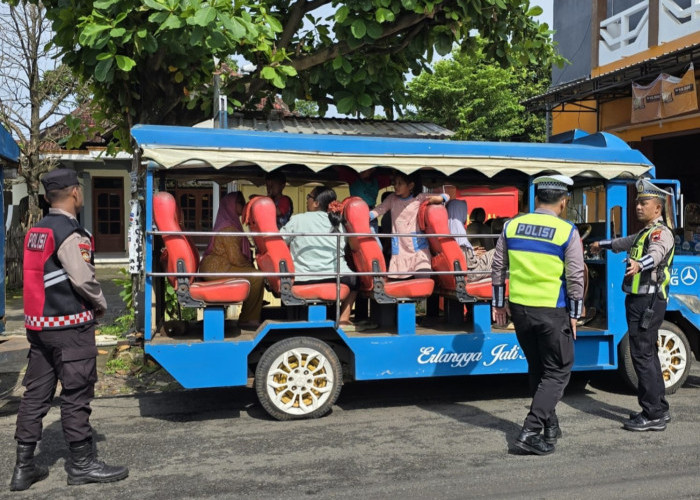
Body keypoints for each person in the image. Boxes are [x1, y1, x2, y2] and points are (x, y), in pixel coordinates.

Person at [12, 168, 128, 491]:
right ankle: (81, 465)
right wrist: (101, 303)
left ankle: (23, 467)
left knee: (35, 394)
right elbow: (83, 278)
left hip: (39, 326)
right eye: (80, 189)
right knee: (76, 394)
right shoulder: (70, 232)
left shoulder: (37, 230)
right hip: (69, 325)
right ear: (75, 193)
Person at [491, 174, 584, 456]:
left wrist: (498, 304)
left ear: (537, 198)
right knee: (558, 371)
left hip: (519, 309)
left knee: (538, 368)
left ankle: (550, 425)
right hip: (551, 311)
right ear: (564, 201)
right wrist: (575, 314)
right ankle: (530, 432)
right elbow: (576, 276)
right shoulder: (566, 231)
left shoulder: (512, 225)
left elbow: (497, 266)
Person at [589, 179, 674, 432]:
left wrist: (640, 264)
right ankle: (659, 407)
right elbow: (623, 243)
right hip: (641, 300)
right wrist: (600, 244)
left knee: (641, 356)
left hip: (647, 301)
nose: (638, 206)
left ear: (657, 209)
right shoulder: (645, 232)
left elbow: (656, 253)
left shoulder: (660, 233)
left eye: (643, 203)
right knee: (649, 355)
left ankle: (653, 414)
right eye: (637, 202)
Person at [280, 186, 359, 328]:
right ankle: (344, 317)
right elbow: (353, 247)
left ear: (316, 203)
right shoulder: (339, 224)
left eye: (308, 197)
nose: (307, 201)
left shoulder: (297, 219)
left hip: (302, 278)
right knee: (356, 279)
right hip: (336, 277)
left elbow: (280, 241)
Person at [199, 191, 264, 329]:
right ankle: (248, 319)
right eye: (241, 202)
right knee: (257, 277)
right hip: (217, 268)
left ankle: (251, 311)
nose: (244, 205)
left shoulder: (231, 224)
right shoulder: (229, 228)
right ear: (231, 205)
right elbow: (236, 258)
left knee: (254, 274)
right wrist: (250, 266)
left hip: (220, 266)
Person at [369, 172, 449, 278]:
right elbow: (379, 210)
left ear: (410, 186)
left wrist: (438, 199)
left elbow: (446, 196)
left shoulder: (419, 197)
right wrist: (365, 216)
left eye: (400, 183)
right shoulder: (392, 199)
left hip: (418, 249)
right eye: (395, 183)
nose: (395, 186)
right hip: (400, 250)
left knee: (423, 280)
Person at [446, 199, 494, 282]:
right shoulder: (459, 231)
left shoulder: (448, 229)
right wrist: (474, 255)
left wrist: (472, 252)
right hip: (472, 272)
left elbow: (459, 254)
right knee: (498, 251)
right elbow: (470, 264)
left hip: (461, 269)